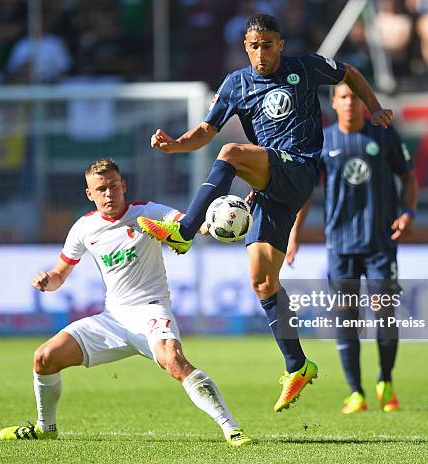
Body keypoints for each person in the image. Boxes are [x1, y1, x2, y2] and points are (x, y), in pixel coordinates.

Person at [136, 13, 393, 413]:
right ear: (245, 47)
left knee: (232, 153)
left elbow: (350, 74)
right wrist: (174, 145)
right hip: (274, 189)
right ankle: (297, 365)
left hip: (301, 166)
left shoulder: (304, 68)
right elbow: (206, 131)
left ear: (281, 44)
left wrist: (374, 108)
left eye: (268, 45)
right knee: (262, 281)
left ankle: (185, 229)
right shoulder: (236, 84)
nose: (261, 53)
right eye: (254, 46)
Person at [0, 159, 251, 446]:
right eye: (101, 189)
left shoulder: (148, 212)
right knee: (44, 358)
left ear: (123, 186)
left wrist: (223, 219)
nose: (109, 194)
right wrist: (48, 281)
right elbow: (60, 274)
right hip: (113, 319)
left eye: (114, 186)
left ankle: (231, 428)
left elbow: (191, 226)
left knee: (175, 361)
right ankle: (46, 427)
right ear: (89, 194)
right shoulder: (84, 228)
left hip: (151, 309)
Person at [286, 82, 418, 414]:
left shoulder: (384, 135)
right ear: (333, 102)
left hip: (379, 243)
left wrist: (408, 212)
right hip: (340, 245)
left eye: (355, 97)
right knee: (346, 319)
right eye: (344, 97)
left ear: (363, 103)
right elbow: (306, 194)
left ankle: (385, 382)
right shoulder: (323, 142)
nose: (350, 103)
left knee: (384, 314)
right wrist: (294, 235)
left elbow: (409, 178)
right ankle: (355, 393)